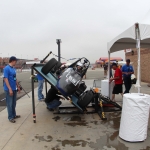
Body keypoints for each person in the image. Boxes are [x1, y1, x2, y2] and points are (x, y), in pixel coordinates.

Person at [3, 56, 21, 123]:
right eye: (15, 61)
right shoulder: (6, 68)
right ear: (13, 61)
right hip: (8, 89)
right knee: (9, 104)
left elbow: (14, 78)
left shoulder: (13, 68)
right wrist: (9, 89)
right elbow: (5, 79)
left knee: (14, 103)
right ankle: (10, 117)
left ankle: (14, 115)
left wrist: (18, 86)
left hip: (14, 88)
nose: (16, 62)